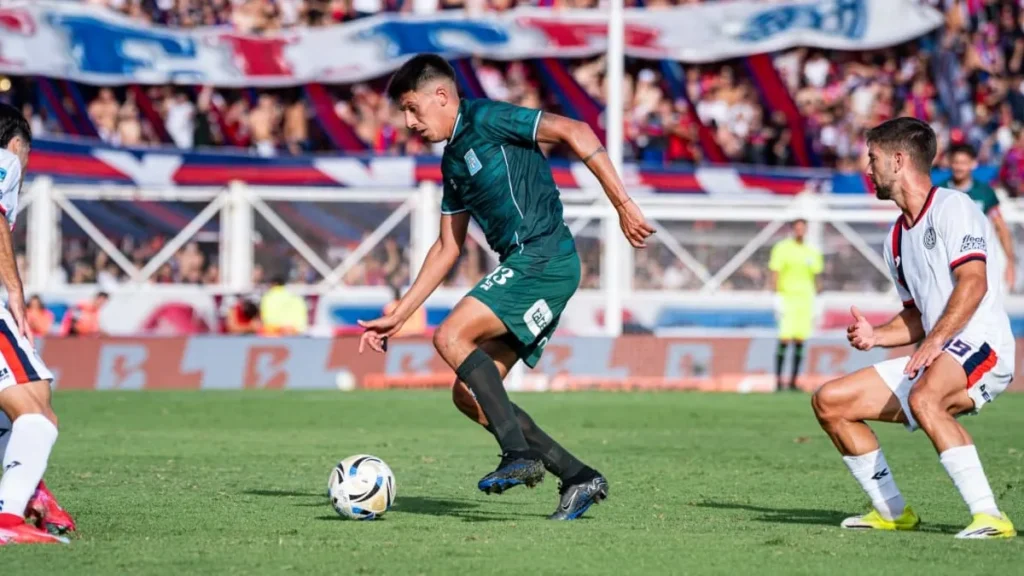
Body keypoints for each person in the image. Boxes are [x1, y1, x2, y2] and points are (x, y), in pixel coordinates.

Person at [358, 54, 654, 520]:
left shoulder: (488, 118)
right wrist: (400, 312)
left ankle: (520, 454)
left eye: (413, 108)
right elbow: (446, 248)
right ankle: (578, 476)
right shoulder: (454, 160)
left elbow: (577, 130)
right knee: (468, 393)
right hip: (530, 265)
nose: (409, 122)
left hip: (545, 257)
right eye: (404, 113)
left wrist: (624, 204)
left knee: (450, 335)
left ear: (442, 96)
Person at [811, 117, 1016, 540]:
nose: (868, 169)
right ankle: (892, 512)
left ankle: (991, 517)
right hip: (939, 353)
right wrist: (877, 336)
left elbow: (973, 283)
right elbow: (917, 315)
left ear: (899, 160)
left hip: (982, 345)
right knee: (831, 402)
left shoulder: (954, 207)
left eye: (873, 158)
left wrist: (936, 341)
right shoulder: (895, 239)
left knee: (926, 398)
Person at [0, 103, 74, 545]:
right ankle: (7, 518)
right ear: (16, 145)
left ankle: (29, 493)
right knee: (39, 412)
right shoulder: (5, 160)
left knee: (14, 411)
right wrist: (14, 292)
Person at [942, 143, 1016, 291]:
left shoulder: (985, 192)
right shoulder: (940, 191)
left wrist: (1010, 262)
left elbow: (1000, 226)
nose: (959, 167)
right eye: (956, 162)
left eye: (963, 163)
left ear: (973, 164)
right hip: (946, 259)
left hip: (978, 258)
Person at [768, 218, 822, 392]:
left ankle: (793, 381)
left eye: (803, 228)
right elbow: (775, 272)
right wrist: (776, 295)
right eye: (797, 228)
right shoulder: (782, 248)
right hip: (787, 297)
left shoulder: (812, 251)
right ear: (792, 230)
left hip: (805, 299)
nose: (800, 231)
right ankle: (778, 382)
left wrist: (818, 298)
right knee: (784, 338)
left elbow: (816, 276)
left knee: (800, 339)